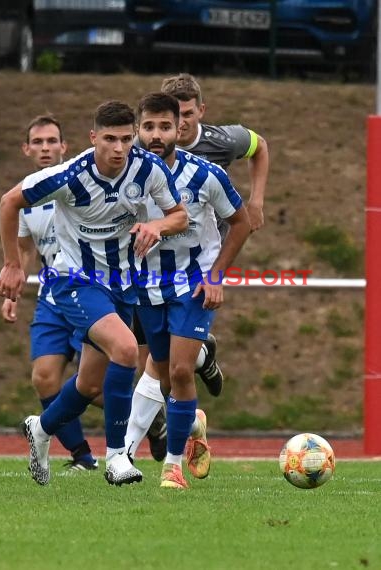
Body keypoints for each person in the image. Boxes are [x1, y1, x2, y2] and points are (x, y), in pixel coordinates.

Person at [0, 100, 188, 487]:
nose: (119, 148)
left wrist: (157, 226)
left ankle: (41, 428)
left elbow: (179, 215)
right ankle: (117, 458)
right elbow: (9, 201)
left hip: (122, 284)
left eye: (126, 140)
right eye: (110, 139)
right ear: (93, 137)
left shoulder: (148, 169)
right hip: (74, 279)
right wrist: (13, 264)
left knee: (89, 385)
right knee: (128, 349)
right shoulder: (69, 175)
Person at [125, 92, 251, 489]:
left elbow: (242, 222)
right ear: (138, 131)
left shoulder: (206, 175)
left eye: (165, 126)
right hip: (146, 286)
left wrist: (215, 277)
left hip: (194, 286)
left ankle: (172, 467)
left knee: (180, 370)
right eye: (149, 127)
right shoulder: (123, 177)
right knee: (160, 374)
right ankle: (191, 422)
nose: (157, 134)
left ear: (179, 127)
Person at [0, 115, 97, 471]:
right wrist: (13, 291)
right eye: (37, 142)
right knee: (44, 376)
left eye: (51, 141)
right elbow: (26, 252)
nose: (45, 148)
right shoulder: (23, 196)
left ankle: (155, 416)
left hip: (90, 290)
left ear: (64, 147)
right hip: (52, 296)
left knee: (96, 386)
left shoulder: (83, 183)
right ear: (27, 149)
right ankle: (83, 458)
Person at [161, 72, 269, 235]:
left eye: (188, 114)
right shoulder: (147, 144)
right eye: (174, 114)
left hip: (211, 251)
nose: (180, 122)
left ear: (201, 110)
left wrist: (256, 203)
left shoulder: (222, 142)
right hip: (160, 251)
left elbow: (260, 146)